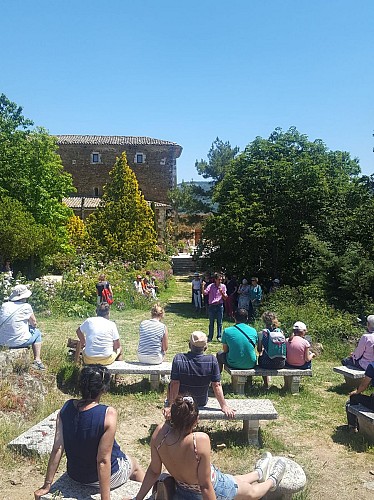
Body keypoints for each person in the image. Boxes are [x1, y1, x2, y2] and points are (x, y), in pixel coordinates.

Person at [133, 395, 286, 500]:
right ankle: (272, 481)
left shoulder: (159, 433)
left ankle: (258, 473)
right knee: (252, 493)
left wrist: (138, 498)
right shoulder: (198, 441)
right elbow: (205, 485)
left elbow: (154, 471)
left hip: (182, 489)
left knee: (234, 479)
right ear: (196, 420)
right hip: (214, 486)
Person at [34, 365, 145, 500]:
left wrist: (47, 485)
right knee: (133, 464)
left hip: (75, 475)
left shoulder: (66, 408)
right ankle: (148, 495)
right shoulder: (108, 414)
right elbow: (103, 461)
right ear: (103, 389)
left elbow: (57, 448)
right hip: (103, 477)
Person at [166, 331, 235, 418]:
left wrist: (171, 406)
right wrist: (224, 406)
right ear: (205, 346)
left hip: (181, 401)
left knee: (170, 384)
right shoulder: (212, 360)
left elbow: (175, 384)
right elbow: (217, 385)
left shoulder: (179, 359)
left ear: (189, 345)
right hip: (201, 401)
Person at [0, 284, 45, 370]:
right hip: (18, 342)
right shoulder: (26, 307)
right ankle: (37, 360)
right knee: (37, 333)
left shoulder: (4, 305)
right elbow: (34, 323)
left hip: (2, 341)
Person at [258, 311, 286, 389]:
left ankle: (266, 384)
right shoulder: (281, 332)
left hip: (266, 364)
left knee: (261, 357)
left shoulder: (262, 333)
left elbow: (259, 349)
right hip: (281, 363)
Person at [345, 361, 374, 432]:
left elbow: (364, 385)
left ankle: (352, 427)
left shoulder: (372, 366)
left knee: (353, 398)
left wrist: (356, 392)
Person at [203, 273, 227, 341]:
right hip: (212, 306)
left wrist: (222, 292)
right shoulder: (211, 286)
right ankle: (210, 336)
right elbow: (205, 293)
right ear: (215, 280)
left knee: (220, 322)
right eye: (219, 280)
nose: (220, 281)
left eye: (221, 280)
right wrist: (202, 286)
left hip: (220, 306)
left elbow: (225, 298)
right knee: (211, 322)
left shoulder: (223, 286)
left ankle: (219, 336)